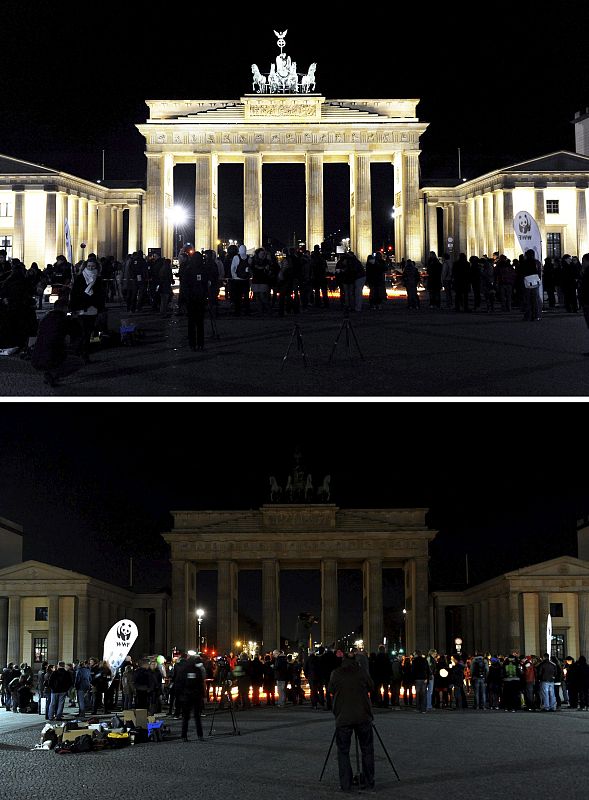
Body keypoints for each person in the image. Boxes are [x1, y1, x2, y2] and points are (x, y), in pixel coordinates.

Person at [328, 650, 375, 793]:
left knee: (343, 751)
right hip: (363, 715)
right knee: (367, 750)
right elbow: (371, 687)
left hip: (343, 716)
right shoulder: (361, 672)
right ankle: (369, 781)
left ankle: (346, 783)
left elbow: (330, 690)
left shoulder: (336, 673)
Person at [30, 299, 84, 387]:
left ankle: (50, 372)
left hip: (36, 357)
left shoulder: (46, 318)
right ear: (65, 308)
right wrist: (74, 319)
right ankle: (53, 375)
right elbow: (77, 333)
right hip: (51, 357)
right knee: (79, 362)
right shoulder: (63, 320)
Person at [181, 251, 210, 352]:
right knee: (200, 323)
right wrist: (206, 296)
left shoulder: (188, 270)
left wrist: (186, 298)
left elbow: (184, 286)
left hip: (192, 300)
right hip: (200, 300)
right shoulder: (203, 269)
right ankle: (200, 343)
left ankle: (192, 343)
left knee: (191, 323)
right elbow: (206, 285)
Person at [174, 653, 205, 741]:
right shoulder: (197, 670)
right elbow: (200, 684)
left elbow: (178, 683)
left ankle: (184, 735)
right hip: (196, 696)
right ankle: (200, 735)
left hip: (186, 696)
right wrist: (202, 695)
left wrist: (179, 695)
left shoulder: (183, 670)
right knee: (197, 716)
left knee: (185, 717)